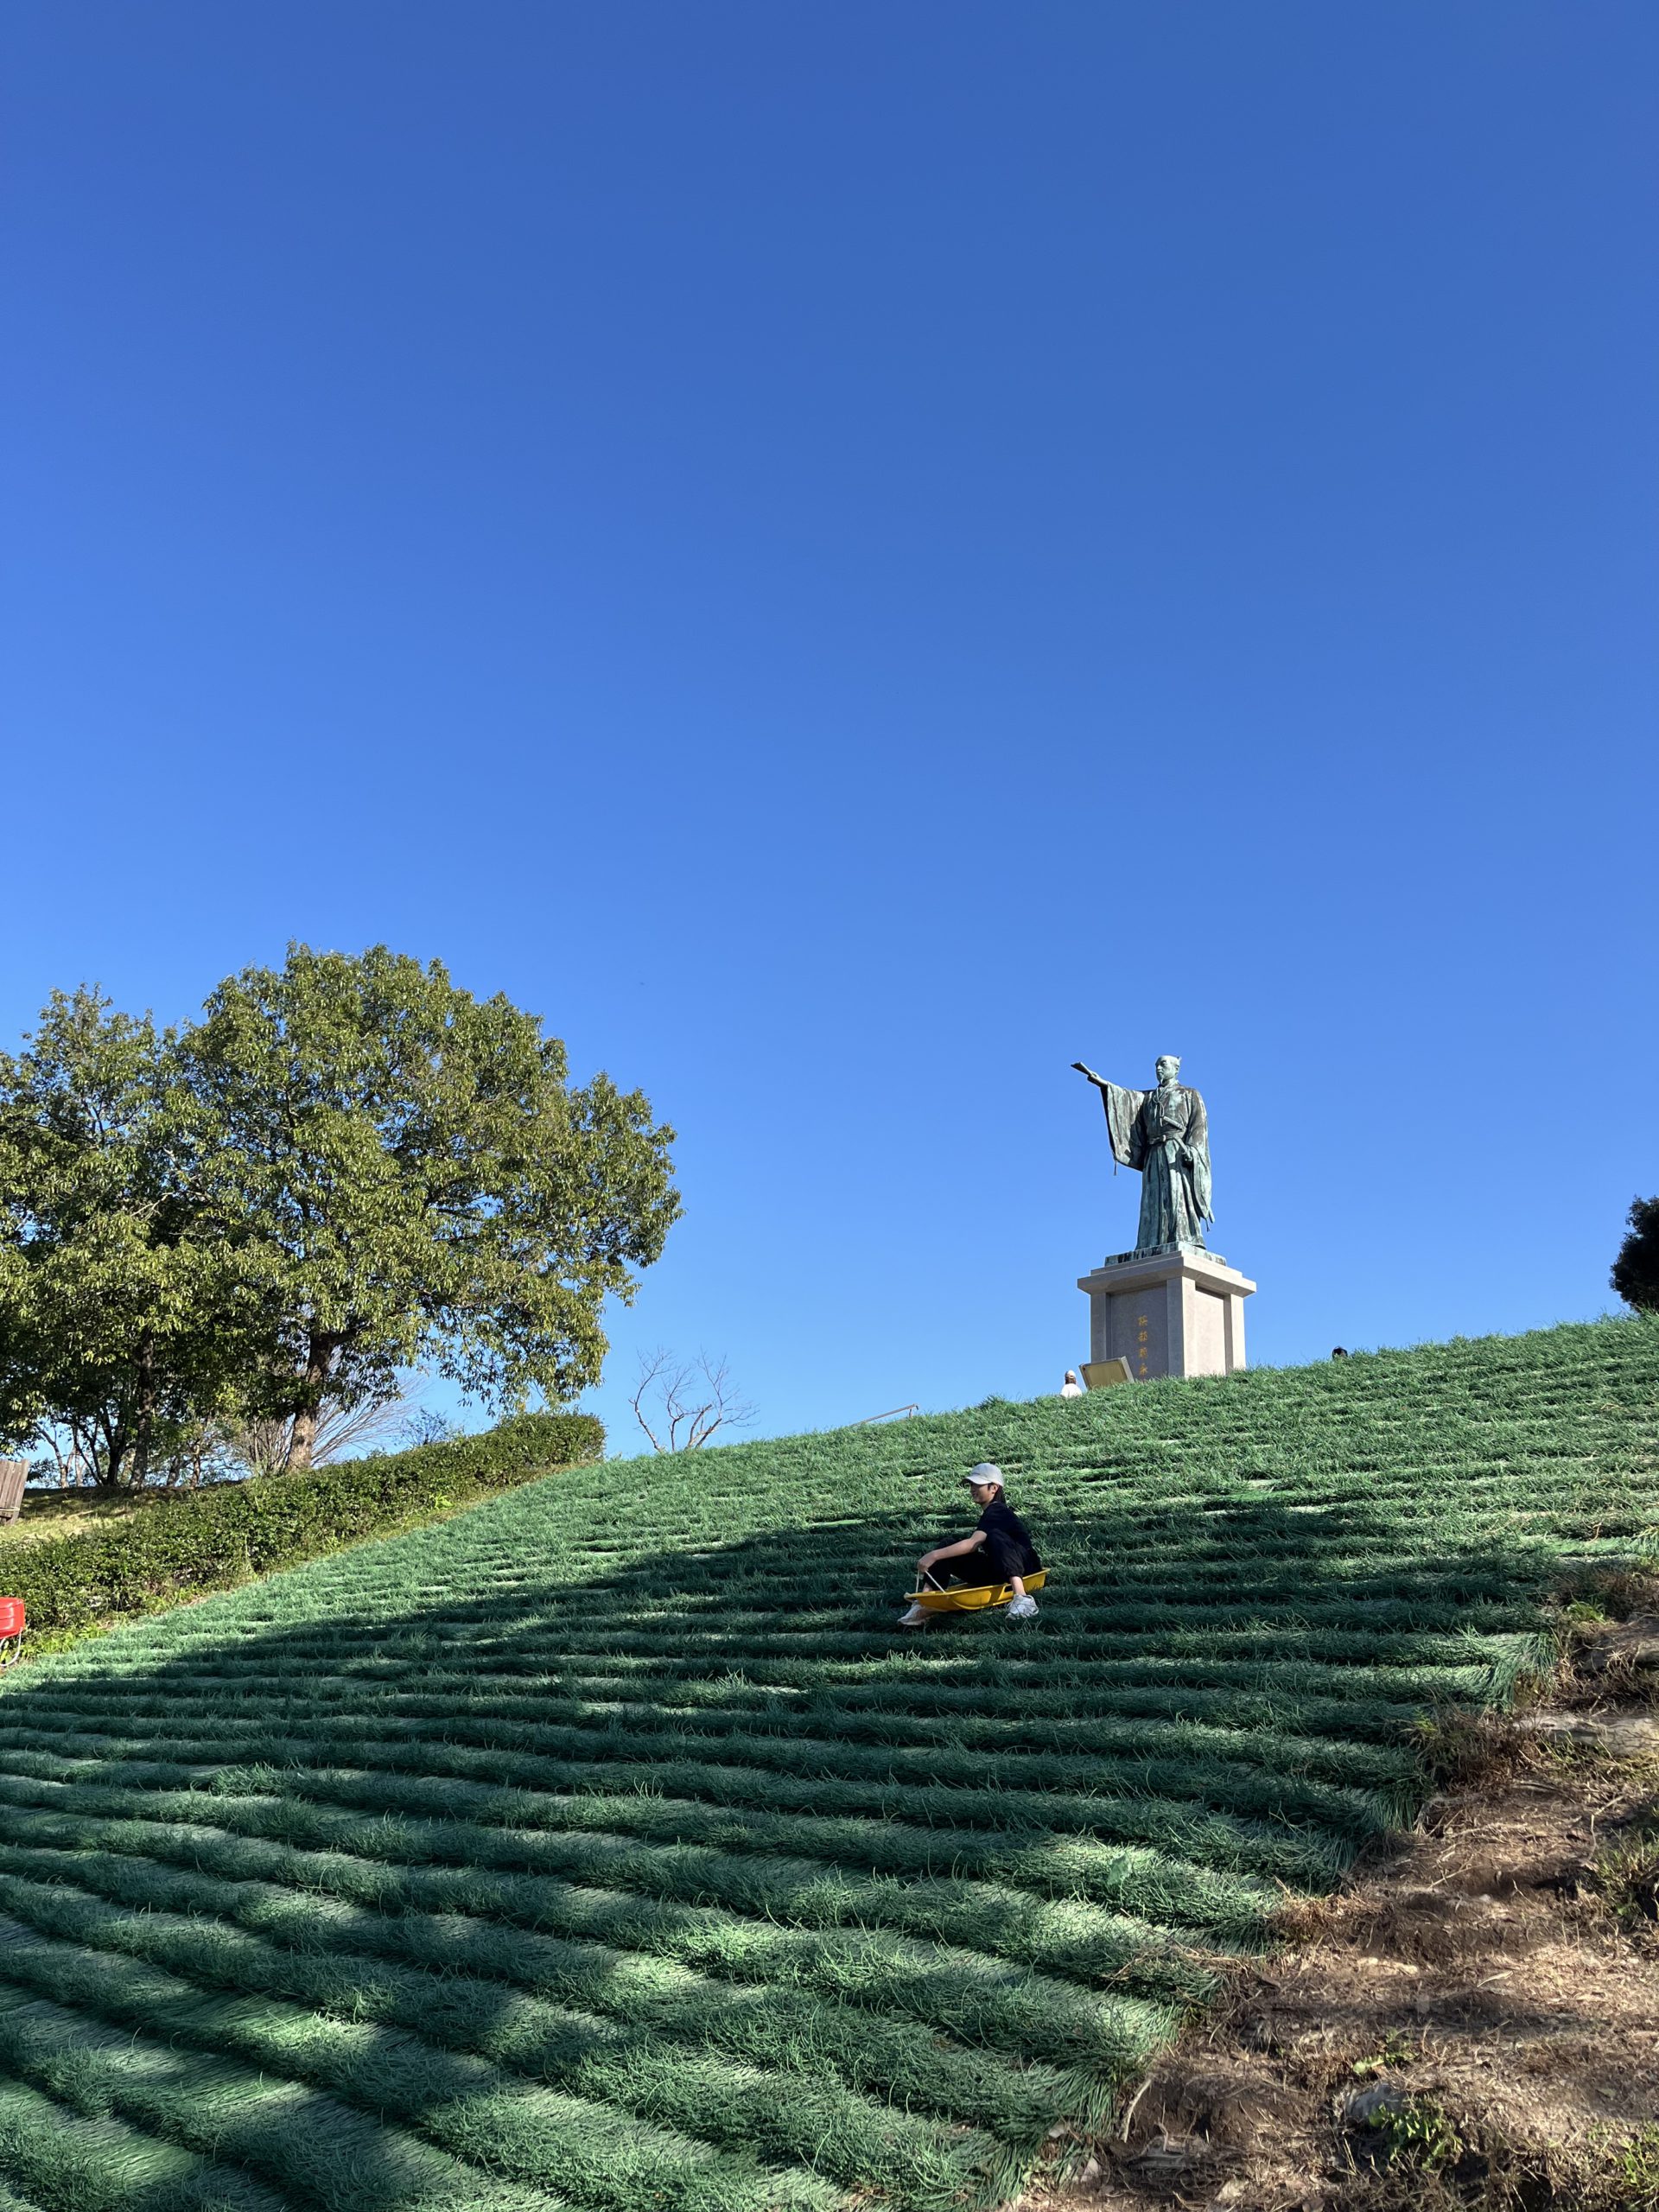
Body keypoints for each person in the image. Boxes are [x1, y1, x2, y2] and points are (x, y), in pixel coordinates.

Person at [898, 1463, 1042, 1627]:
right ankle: (924, 1604)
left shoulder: (998, 1510)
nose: (972, 1489)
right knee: (948, 1545)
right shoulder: (989, 1513)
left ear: (994, 1488)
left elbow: (973, 1544)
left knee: (995, 1536)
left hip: (1027, 1567)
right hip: (1001, 1568)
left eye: (978, 1485)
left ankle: (1023, 1599)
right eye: (971, 1485)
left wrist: (933, 1555)